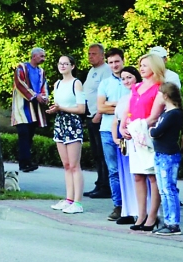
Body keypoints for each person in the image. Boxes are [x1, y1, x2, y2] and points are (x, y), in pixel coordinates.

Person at [120, 54, 166, 232]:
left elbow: (154, 115)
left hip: (148, 134)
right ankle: (141, 214)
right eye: (140, 65)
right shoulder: (136, 86)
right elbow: (129, 108)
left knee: (152, 176)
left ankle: (153, 215)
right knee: (138, 175)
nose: (141, 68)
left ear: (154, 66)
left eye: (145, 65)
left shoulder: (159, 88)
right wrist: (124, 126)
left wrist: (137, 128)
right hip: (133, 133)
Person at [47, 55, 86, 214]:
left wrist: (62, 108)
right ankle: (68, 199)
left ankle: (78, 202)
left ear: (72, 66)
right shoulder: (57, 84)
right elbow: (59, 105)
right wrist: (54, 109)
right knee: (66, 165)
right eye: (60, 63)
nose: (62, 66)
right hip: (60, 123)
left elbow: (81, 109)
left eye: (66, 63)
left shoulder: (76, 83)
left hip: (72, 124)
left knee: (75, 165)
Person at [96, 48, 129, 221]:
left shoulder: (130, 81)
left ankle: (133, 204)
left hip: (127, 130)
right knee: (113, 170)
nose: (114, 65)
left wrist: (112, 105)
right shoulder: (105, 83)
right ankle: (118, 205)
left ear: (123, 60)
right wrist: (120, 106)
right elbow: (100, 108)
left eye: (117, 61)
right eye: (110, 62)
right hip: (107, 130)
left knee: (131, 170)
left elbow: (133, 107)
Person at [150, 82, 183, 236]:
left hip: (168, 155)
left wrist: (151, 130)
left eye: (159, 94)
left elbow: (157, 131)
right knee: (163, 189)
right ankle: (167, 220)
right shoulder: (166, 112)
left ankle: (173, 223)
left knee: (169, 189)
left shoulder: (174, 114)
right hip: (160, 153)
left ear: (165, 96)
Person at [110, 67, 142, 225]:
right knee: (124, 176)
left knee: (138, 176)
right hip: (123, 142)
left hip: (137, 140)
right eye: (123, 78)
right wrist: (115, 137)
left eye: (129, 77)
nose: (126, 81)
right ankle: (128, 210)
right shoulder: (123, 99)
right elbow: (115, 120)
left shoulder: (140, 96)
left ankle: (141, 211)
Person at [82, 44, 113, 199]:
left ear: (102, 55)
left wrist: (99, 113)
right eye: (89, 54)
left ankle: (106, 186)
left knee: (102, 153)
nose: (90, 56)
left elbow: (107, 94)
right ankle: (99, 183)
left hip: (99, 116)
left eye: (94, 54)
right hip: (90, 115)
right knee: (96, 153)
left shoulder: (106, 71)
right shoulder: (91, 71)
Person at [12, 48, 48, 172]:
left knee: (29, 135)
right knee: (23, 134)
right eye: (41, 56)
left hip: (34, 109)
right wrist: (34, 96)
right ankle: (24, 163)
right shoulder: (21, 68)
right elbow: (19, 83)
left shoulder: (41, 71)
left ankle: (27, 161)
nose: (43, 58)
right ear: (34, 56)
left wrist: (44, 97)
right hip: (21, 108)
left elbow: (44, 86)